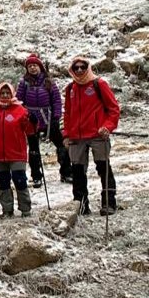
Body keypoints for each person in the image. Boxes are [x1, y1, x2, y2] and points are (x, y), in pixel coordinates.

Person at [63, 56, 120, 215]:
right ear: (72, 70)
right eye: (76, 68)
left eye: (82, 67)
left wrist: (107, 127)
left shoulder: (99, 84)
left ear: (88, 67)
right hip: (76, 137)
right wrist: (66, 134)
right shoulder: (70, 88)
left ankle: (109, 203)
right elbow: (67, 113)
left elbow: (113, 109)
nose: (79, 70)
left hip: (98, 135)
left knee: (104, 169)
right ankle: (81, 206)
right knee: (78, 172)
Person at [0, 82, 36, 217]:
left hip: (17, 153)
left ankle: (25, 209)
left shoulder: (21, 110)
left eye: (8, 93)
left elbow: (29, 130)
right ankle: (7, 210)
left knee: (20, 180)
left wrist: (33, 121)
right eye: (3, 93)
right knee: (3, 182)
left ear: (12, 94)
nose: (5, 95)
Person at [16, 54, 69, 187]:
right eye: (30, 66)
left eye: (35, 65)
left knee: (61, 145)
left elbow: (57, 101)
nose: (33, 68)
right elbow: (19, 102)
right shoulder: (24, 83)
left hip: (49, 118)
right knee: (34, 149)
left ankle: (66, 172)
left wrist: (56, 117)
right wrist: (26, 115)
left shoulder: (49, 82)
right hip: (31, 120)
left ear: (40, 67)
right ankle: (36, 176)